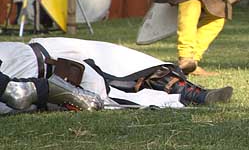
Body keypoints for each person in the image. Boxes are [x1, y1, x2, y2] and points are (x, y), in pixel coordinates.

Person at [0, 38, 232, 115]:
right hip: (42, 73)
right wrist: (47, 90)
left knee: (129, 62)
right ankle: (191, 97)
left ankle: (194, 91)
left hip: (39, 53)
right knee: (112, 95)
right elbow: (17, 93)